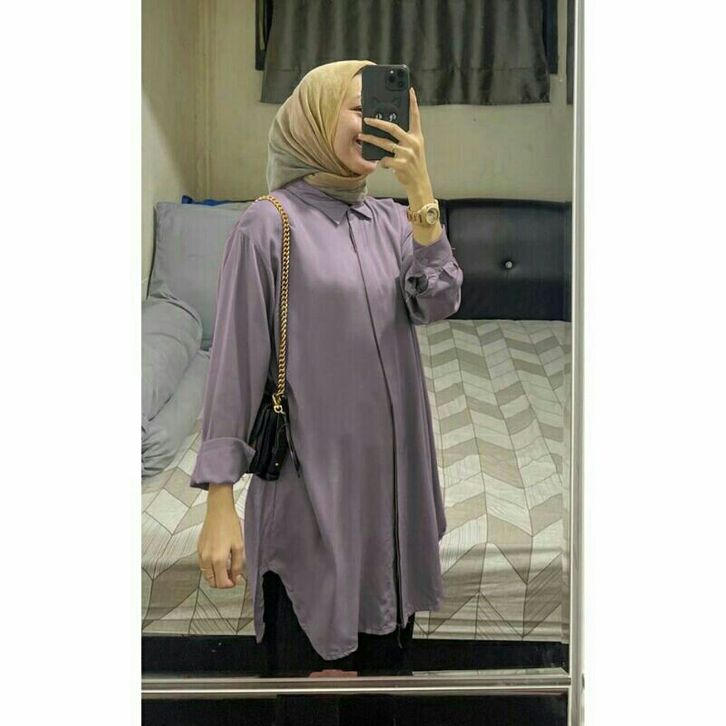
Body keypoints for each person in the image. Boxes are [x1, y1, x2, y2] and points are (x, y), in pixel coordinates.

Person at [190, 59, 463, 723]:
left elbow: (440, 301)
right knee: (309, 703)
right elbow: (234, 365)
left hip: (391, 506)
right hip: (313, 498)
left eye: (381, 108)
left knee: (380, 701)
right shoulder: (269, 224)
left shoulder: (395, 220)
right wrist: (220, 500)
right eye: (355, 107)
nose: (373, 121)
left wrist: (422, 191)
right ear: (314, 118)